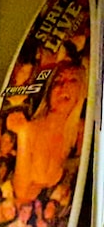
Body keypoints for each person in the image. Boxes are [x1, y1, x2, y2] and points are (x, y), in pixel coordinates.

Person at [7, 59, 88, 206]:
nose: (63, 86)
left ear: (82, 91)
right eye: (57, 81)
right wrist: (23, 135)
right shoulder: (28, 128)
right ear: (49, 91)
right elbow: (22, 193)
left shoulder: (81, 134)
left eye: (73, 80)